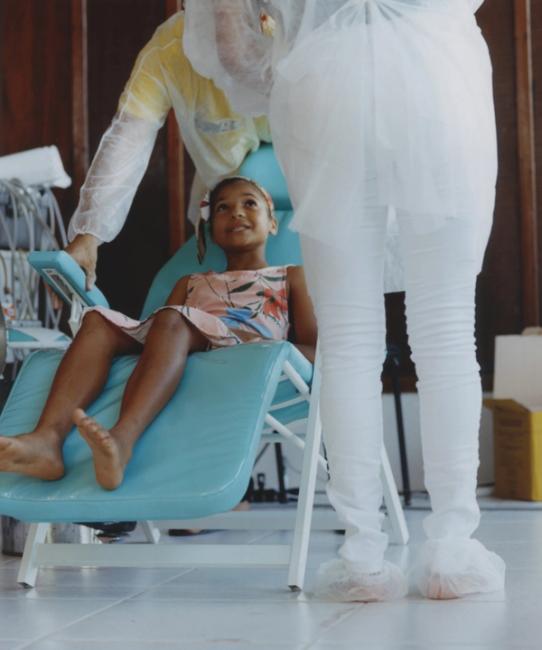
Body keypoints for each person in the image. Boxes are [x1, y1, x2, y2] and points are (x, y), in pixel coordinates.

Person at [182, 0, 506, 601]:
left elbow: (226, 47)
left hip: (324, 91)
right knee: (445, 329)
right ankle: (451, 554)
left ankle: (362, 557)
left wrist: (294, 63)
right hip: (440, 80)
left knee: (349, 339)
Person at [0, 177, 317, 491]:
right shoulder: (190, 282)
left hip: (247, 355)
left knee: (174, 319)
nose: (236, 212)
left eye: (249, 203)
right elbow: (161, 334)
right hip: (184, 342)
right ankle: (46, 441)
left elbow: (316, 350)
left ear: (272, 223)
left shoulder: (290, 277)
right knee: (97, 321)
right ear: (209, 229)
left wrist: (272, 349)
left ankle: (122, 441)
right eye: (223, 207)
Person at [64, 9, 272, 291]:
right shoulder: (168, 49)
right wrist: (88, 233)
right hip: (222, 187)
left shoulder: (293, 32)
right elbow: (128, 139)